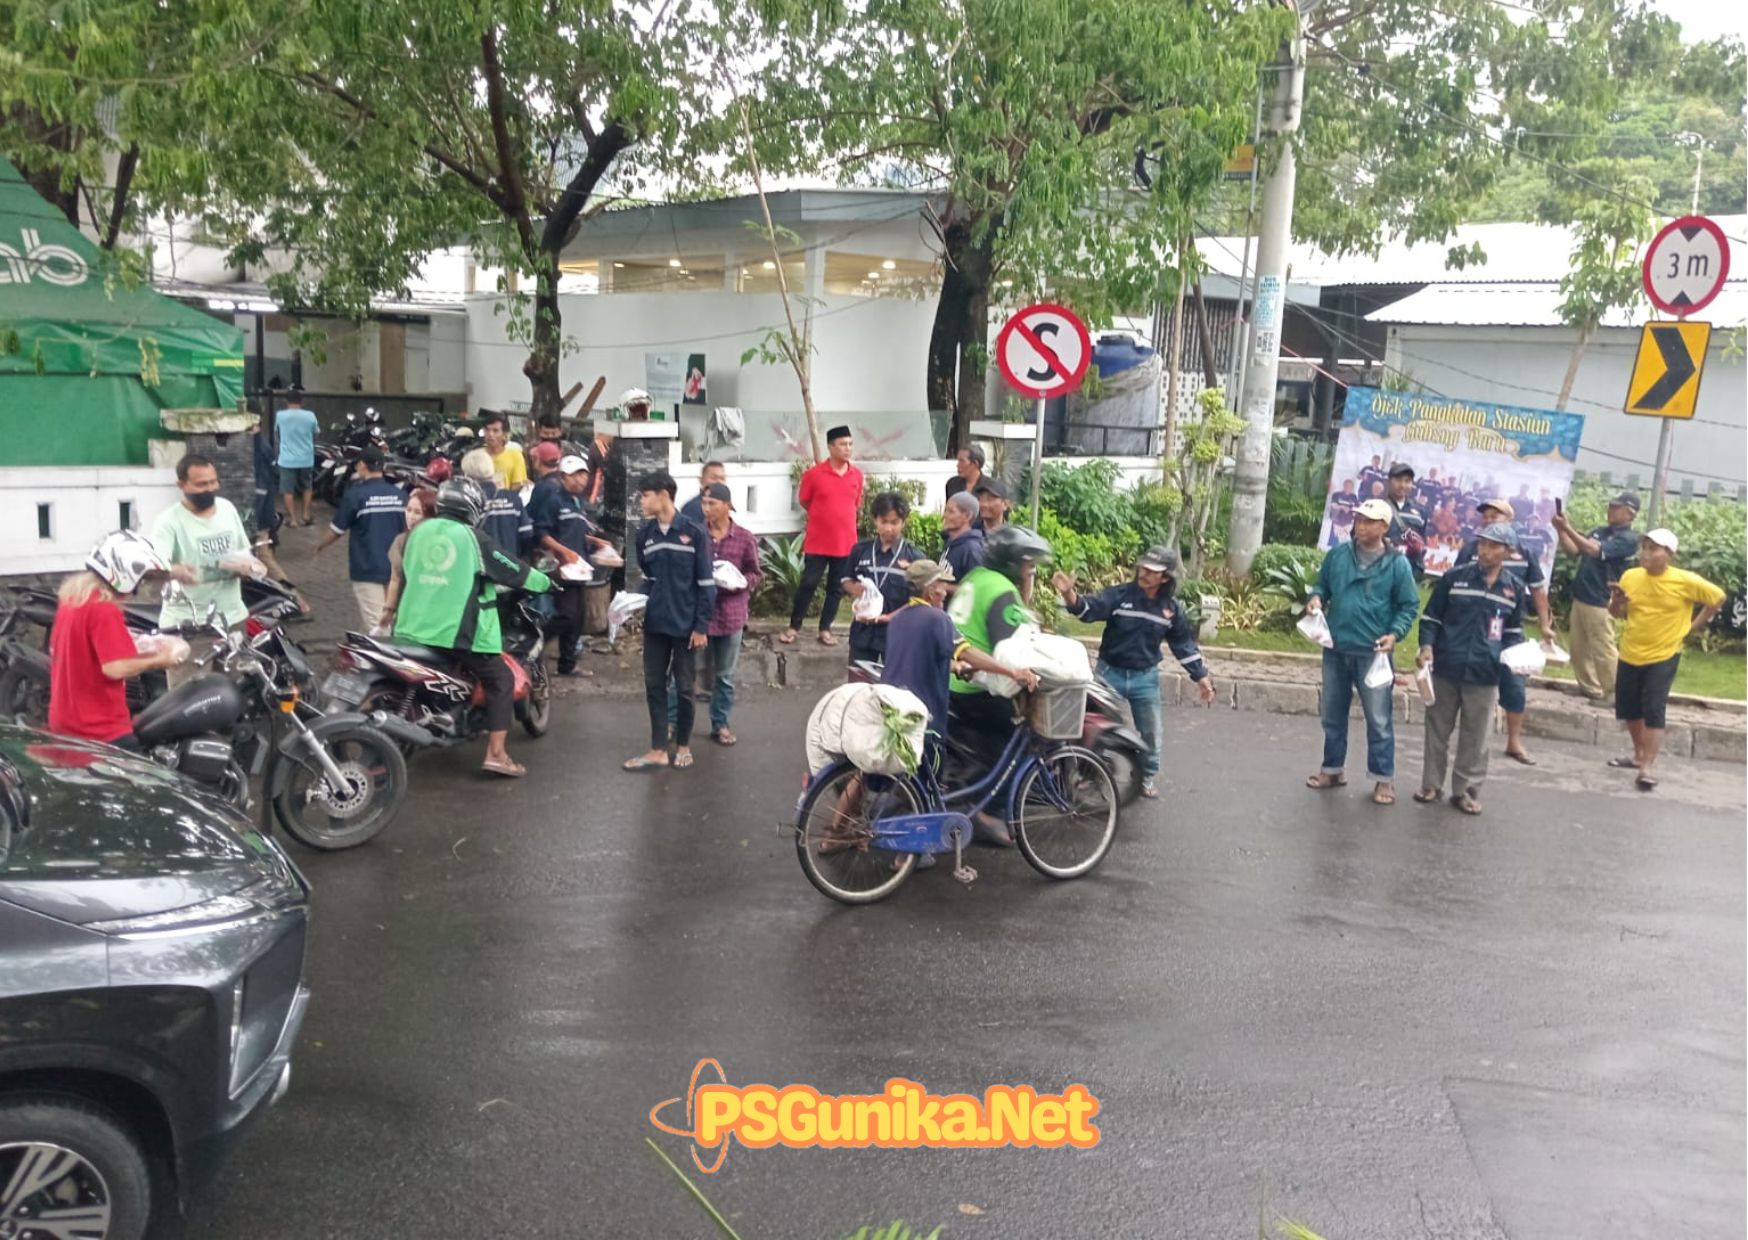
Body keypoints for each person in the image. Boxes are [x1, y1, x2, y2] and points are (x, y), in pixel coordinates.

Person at [393, 478, 553, 777]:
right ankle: (497, 754)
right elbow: (512, 570)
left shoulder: (418, 533)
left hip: (409, 627)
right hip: (452, 634)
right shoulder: (473, 538)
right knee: (501, 679)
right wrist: (547, 581)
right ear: (473, 508)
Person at [1052, 545, 1216, 799]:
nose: (1145, 573)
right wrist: (1070, 595)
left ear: (1165, 577)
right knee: (1094, 729)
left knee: (1151, 733)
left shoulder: (1171, 609)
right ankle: (1087, 775)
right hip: (1109, 675)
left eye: (1153, 571)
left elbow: (1183, 645)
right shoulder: (1120, 596)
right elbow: (1089, 609)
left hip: (1145, 679)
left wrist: (1201, 677)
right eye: (1143, 568)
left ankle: (1146, 777)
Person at [1303, 497, 1420, 806]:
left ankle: (1383, 779)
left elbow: (1409, 606)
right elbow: (1322, 586)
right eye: (1358, 519)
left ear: (1384, 527)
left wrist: (1395, 634)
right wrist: (1315, 600)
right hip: (1336, 647)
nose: (1360, 525)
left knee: (1379, 718)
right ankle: (1332, 769)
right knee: (1332, 713)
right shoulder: (1339, 556)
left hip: (1374, 652)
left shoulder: (1397, 564)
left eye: (1368, 521)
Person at [945, 524, 1053, 843]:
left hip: (954, 678)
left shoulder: (977, 578)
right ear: (1012, 563)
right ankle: (990, 812)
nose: (1030, 570)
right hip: (976, 687)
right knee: (1017, 741)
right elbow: (1010, 649)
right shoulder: (1002, 591)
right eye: (1027, 565)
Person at [1413, 522, 1526, 815]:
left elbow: (1513, 633)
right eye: (1483, 544)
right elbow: (1431, 619)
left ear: (1508, 552)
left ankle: (1465, 791)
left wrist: (1516, 659)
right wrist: (1426, 647)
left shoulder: (1514, 588)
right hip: (1446, 667)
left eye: (1494, 546)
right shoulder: (1454, 578)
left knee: (1477, 736)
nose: (1486, 551)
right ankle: (1431, 785)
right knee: (1437, 729)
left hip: (1485, 673)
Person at [1608, 528, 1724, 792]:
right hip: (1630, 651)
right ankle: (1638, 754)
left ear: (1669, 555)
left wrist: (1693, 625)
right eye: (1644, 547)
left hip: (1664, 653)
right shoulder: (1631, 576)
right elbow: (1615, 613)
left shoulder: (1685, 580)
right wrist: (1617, 602)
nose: (1646, 553)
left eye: (1653, 548)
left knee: (1654, 707)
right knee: (1629, 708)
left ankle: (1647, 767)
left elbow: (1717, 598)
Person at [48, 531, 185, 748]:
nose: (135, 590)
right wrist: (160, 658)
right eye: (139, 581)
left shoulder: (73, 599)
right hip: (100, 731)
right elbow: (115, 667)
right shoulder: (104, 610)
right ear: (125, 574)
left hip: (66, 724)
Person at [1449, 498, 1556, 765]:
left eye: (1494, 515)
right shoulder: (1471, 549)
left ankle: (1514, 742)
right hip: (1472, 628)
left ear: (1510, 519)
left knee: (1515, 685)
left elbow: (1538, 591)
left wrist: (1544, 625)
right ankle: (1460, 742)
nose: (1488, 519)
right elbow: (1453, 585)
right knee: (1463, 686)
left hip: (1509, 629)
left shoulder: (1525, 553)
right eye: (1485, 516)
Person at [624, 471, 715, 771]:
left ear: (664, 494)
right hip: (656, 625)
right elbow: (649, 579)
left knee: (686, 688)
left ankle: (684, 745)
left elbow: (706, 584)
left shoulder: (694, 532)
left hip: (687, 627)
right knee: (654, 685)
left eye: (645, 495)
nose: (641, 501)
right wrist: (630, 604)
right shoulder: (644, 535)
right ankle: (658, 749)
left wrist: (701, 626)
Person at [151, 454, 257, 687]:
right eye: (201, 484)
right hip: (190, 627)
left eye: (213, 482)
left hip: (232, 621)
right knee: (190, 699)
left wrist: (248, 567)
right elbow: (153, 566)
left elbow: (244, 552)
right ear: (181, 485)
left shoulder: (227, 509)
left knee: (233, 692)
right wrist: (175, 570)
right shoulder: (169, 522)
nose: (209, 489)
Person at [527, 454, 611, 677]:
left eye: (585, 475)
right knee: (566, 616)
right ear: (564, 476)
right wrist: (563, 552)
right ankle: (532, 644)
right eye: (577, 475)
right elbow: (542, 533)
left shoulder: (577, 503)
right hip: (559, 568)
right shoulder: (554, 500)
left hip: (578, 568)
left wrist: (594, 542)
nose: (582, 480)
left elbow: (576, 533)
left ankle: (567, 663)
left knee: (578, 619)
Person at [1551, 491, 1640, 701]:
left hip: (1601, 599)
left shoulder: (1628, 539)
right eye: (1610, 505)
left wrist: (1567, 527)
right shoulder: (1600, 530)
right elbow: (1574, 549)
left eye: (1616, 507)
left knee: (1603, 649)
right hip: (1582, 596)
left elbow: (1593, 550)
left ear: (1630, 514)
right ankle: (1591, 688)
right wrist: (1560, 530)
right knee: (1578, 648)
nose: (1610, 510)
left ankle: (1614, 693)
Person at [781, 426, 863, 648]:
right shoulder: (814, 475)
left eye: (850, 444)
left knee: (836, 589)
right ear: (830, 447)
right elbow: (805, 501)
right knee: (808, 584)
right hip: (818, 542)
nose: (848, 449)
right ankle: (793, 626)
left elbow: (855, 504)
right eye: (842, 444)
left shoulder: (856, 475)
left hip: (845, 543)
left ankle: (825, 628)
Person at [315, 445, 407, 631]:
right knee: (392, 620)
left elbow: (336, 530)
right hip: (396, 570)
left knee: (377, 626)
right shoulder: (400, 496)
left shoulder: (356, 495)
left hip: (367, 567)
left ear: (363, 465)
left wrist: (318, 546)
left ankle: (383, 659)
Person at [699, 482, 761, 745]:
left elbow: (756, 574)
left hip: (731, 614)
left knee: (724, 675)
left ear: (727, 506)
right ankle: (672, 722)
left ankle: (720, 724)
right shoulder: (696, 534)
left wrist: (740, 582)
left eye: (712, 503)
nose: (706, 508)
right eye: (704, 503)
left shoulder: (745, 538)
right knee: (684, 672)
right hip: (699, 615)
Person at [379, 487, 437, 633]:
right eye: (409, 510)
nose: (410, 516)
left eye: (418, 512)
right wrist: (388, 610)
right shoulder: (401, 541)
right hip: (407, 611)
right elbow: (395, 578)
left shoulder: (442, 544)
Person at [460, 448, 533, 558]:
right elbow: (527, 534)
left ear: (467, 475)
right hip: (511, 566)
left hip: (481, 567)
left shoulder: (467, 502)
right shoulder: (512, 499)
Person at [275, 390, 319, 526]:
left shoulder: (280, 416)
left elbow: (277, 433)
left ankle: (292, 519)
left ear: (286, 401)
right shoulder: (310, 416)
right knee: (307, 487)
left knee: (288, 490)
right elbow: (316, 433)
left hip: (287, 459)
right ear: (302, 401)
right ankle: (305, 516)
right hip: (306, 458)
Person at [1384, 463, 1427, 577]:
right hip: (1379, 569)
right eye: (1398, 480)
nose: (1402, 485)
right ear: (1389, 481)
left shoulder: (1421, 512)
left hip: (1407, 571)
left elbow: (1422, 541)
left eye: (1407, 481)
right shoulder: (1375, 505)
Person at [942, 492, 986, 581]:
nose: (945, 516)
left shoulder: (972, 549)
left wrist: (944, 587)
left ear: (967, 516)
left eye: (951, 511)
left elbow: (976, 587)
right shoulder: (950, 543)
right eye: (945, 510)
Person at [480, 411, 528, 490]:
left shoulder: (515, 456)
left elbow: (517, 486)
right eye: (487, 430)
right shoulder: (476, 456)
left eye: (495, 431)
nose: (490, 434)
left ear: (504, 434)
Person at [680, 461, 727, 526]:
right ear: (701, 480)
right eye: (714, 478)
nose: (719, 482)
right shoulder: (692, 508)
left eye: (722, 478)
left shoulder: (724, 504)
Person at [1327, 478, 1358, 547]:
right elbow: (1333, 505)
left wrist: (1351, 510)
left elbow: (1356, 508)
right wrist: (1342, 507)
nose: (1348, 487)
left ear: (1352, 487)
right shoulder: (1337, 494)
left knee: (1345, 543)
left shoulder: (1354, 497)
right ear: (1343, 486)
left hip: (1348, 523)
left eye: (1350, 486)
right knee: (1334, 543)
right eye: (1346, 485)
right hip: (1337, 522)